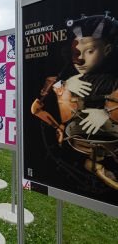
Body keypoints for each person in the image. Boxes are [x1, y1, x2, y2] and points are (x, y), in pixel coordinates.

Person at [31, 12, 118, 190]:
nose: (80, 59)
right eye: (76, 51)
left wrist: (106, 112)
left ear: (107, 50)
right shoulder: (65, 80)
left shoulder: (113, 79)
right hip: (76, 146)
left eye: (90, 51)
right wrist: (64, 85)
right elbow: (36, 108)